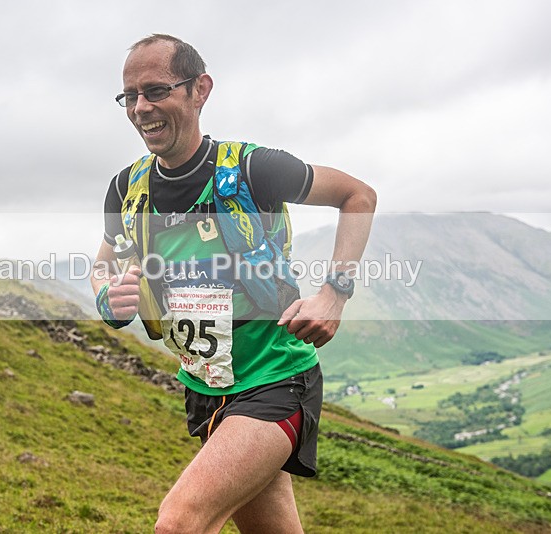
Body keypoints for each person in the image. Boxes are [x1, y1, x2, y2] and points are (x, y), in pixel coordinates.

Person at [92, 34, 376, 533]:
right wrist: (107, 295)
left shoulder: (253, 169)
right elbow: (104, 261)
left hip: (275, 381)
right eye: (129, 96)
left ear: (199, 90)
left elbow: (358, 195)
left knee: (179, 522)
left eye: (156, 90)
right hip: (205, 385)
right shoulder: (125, 188)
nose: (141, 108)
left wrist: (335, 292)